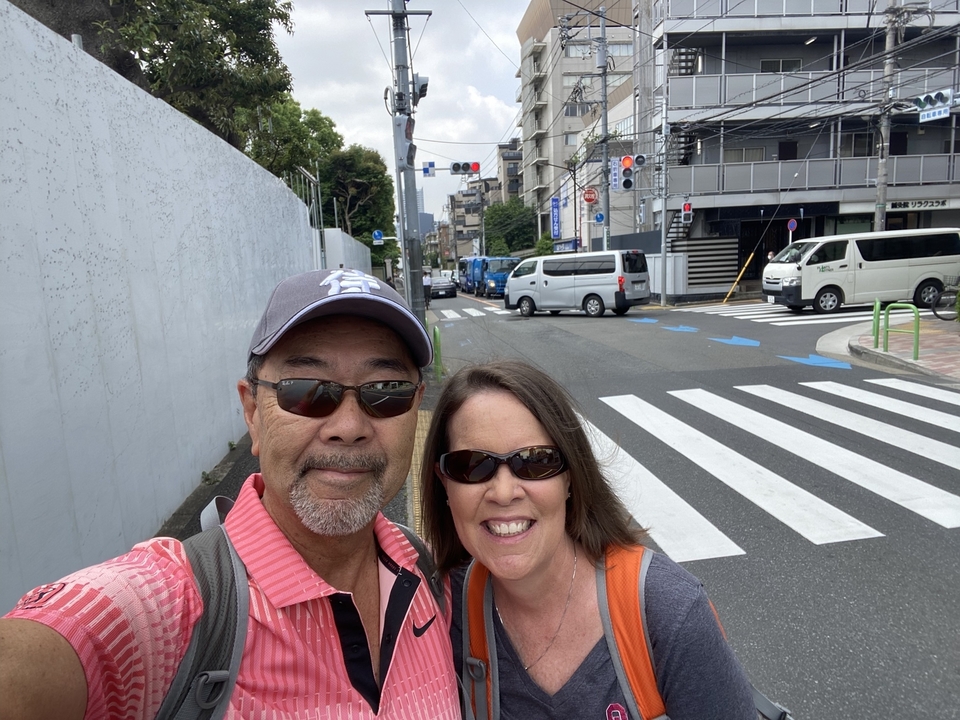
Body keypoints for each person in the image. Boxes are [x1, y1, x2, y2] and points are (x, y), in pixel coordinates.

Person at [0, 268, 460, 719]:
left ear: (416, 405)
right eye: (307, 390)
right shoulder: (173, 607)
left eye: (386, 391)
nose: (349, 426)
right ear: (252, 412)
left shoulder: (425, 569)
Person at [420, 360, 755, 719]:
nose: (503, 492)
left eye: (535, 461)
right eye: (471, 465)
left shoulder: (667, 612)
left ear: (570, 477)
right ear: (444, 483)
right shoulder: (439, 610)